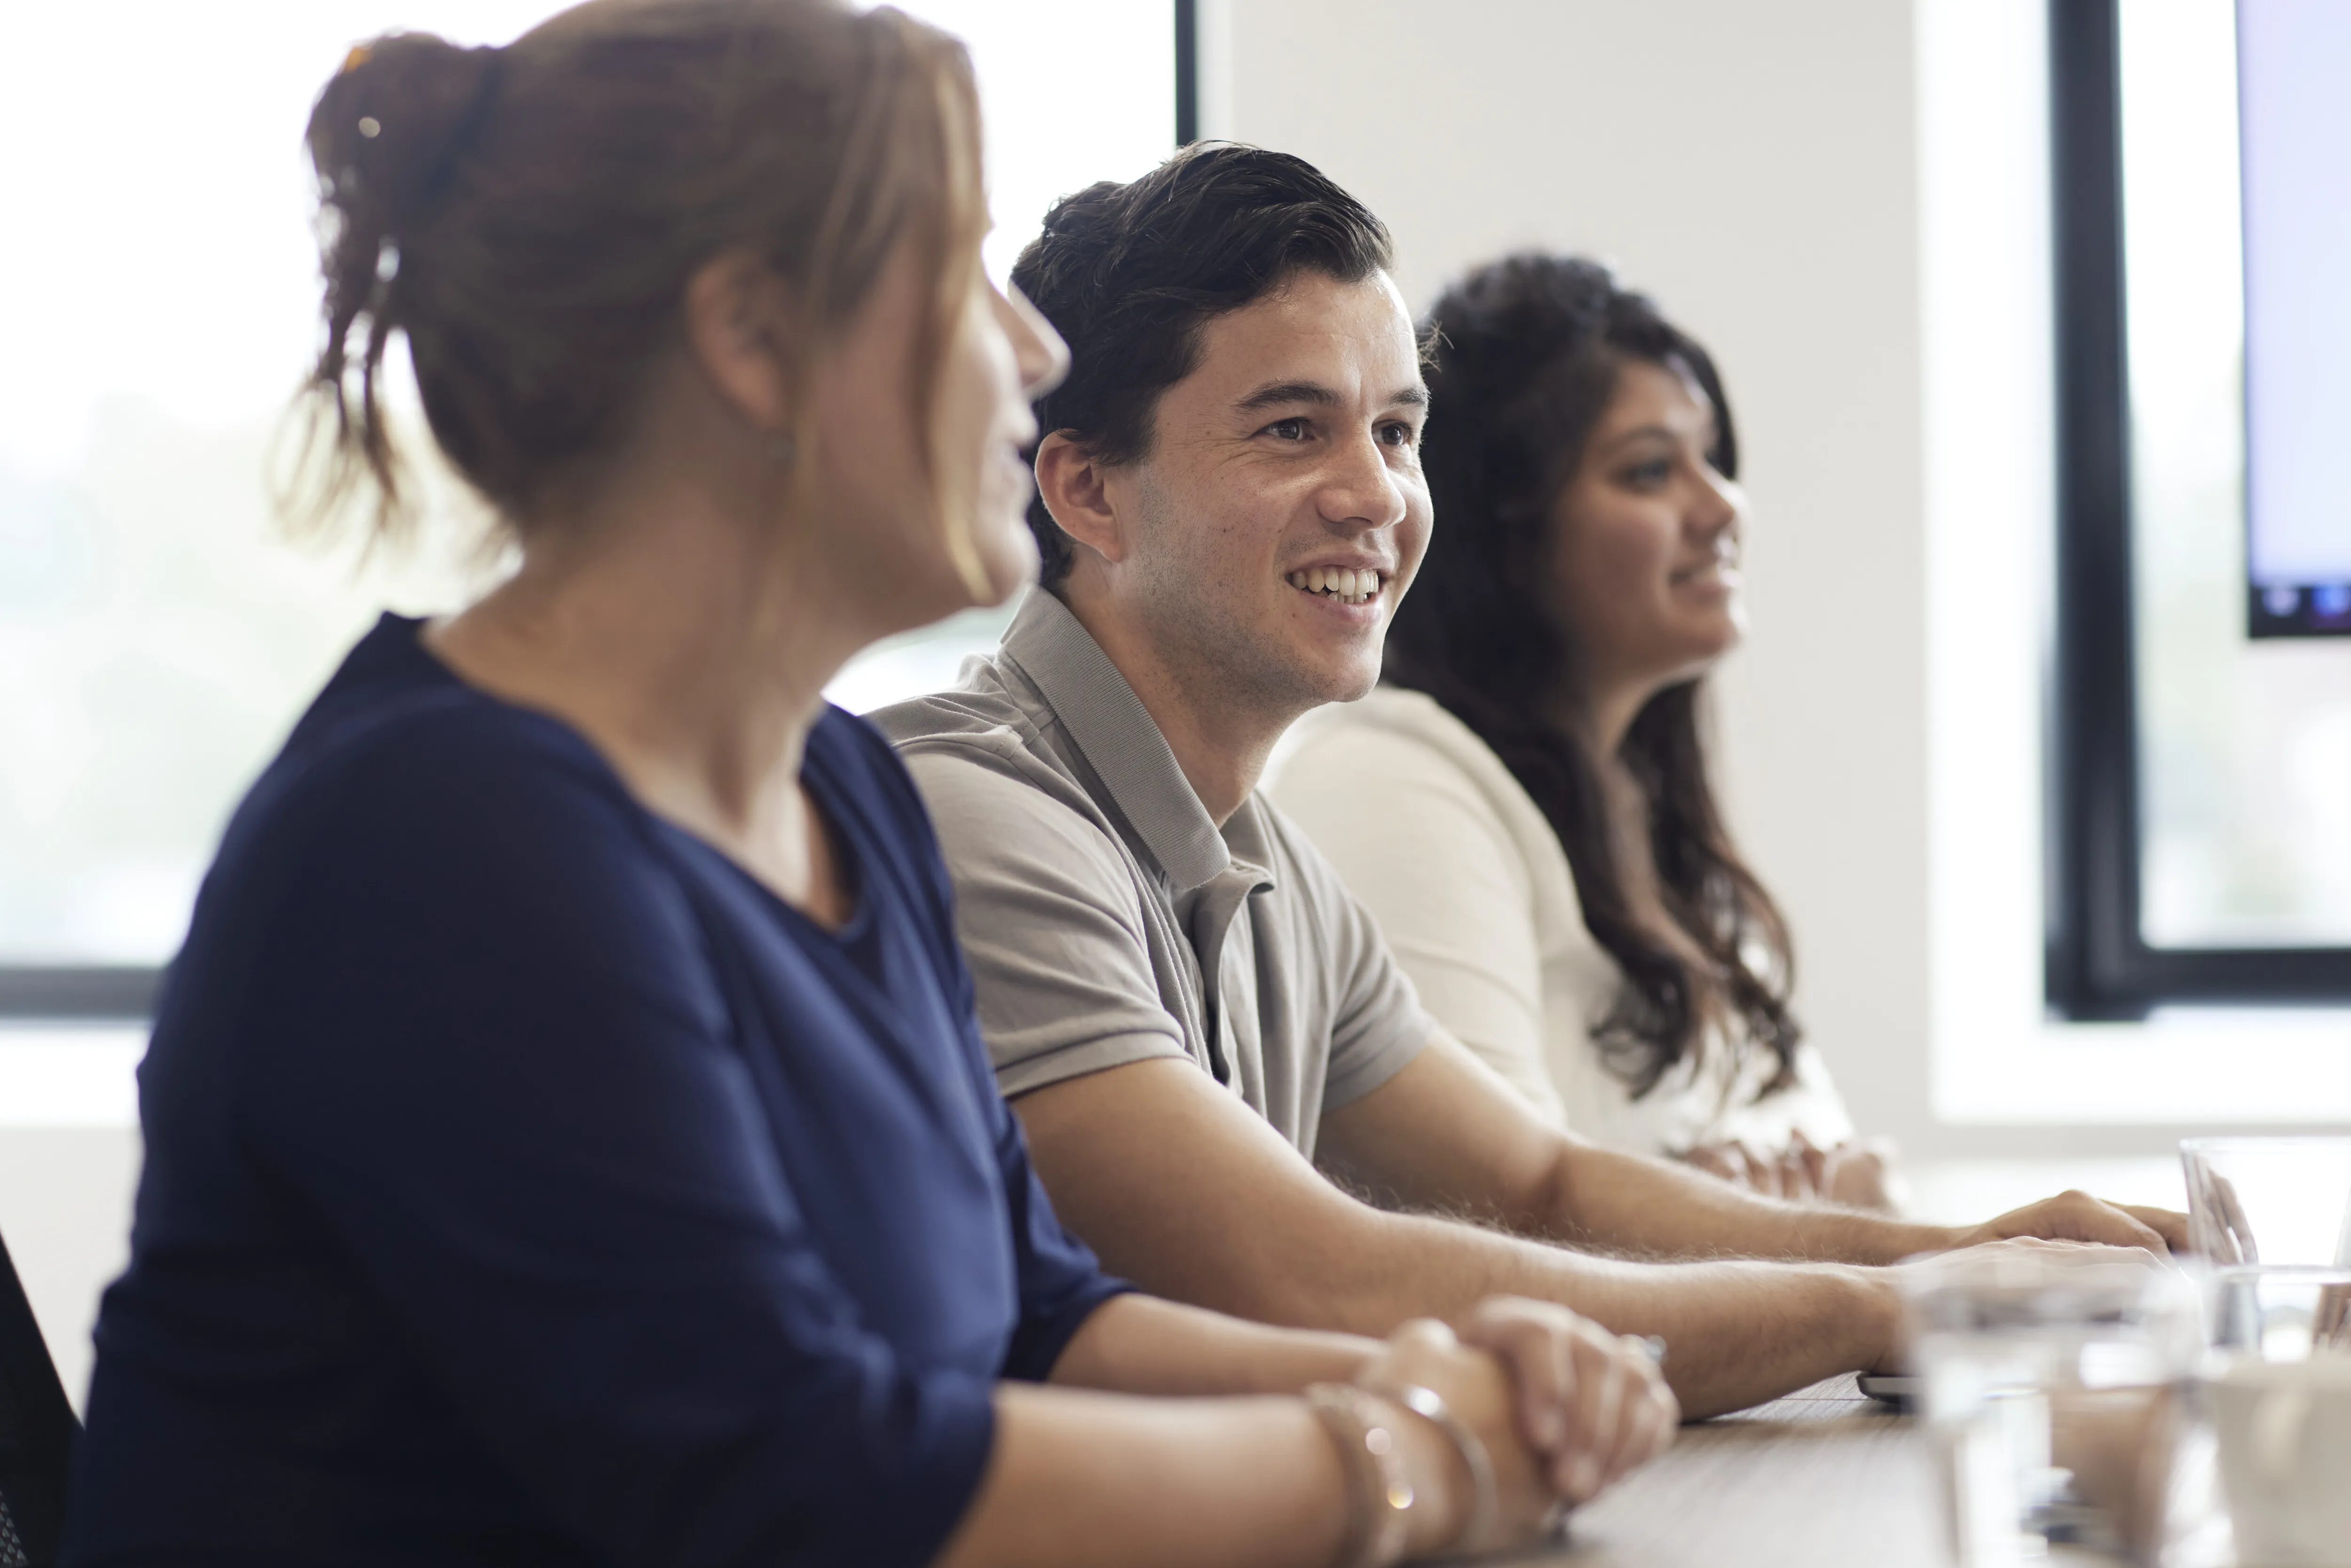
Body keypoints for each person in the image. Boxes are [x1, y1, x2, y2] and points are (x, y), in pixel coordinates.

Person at [60, 9, 1678, 1565]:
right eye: (965, 276)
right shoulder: (444, 836)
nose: (1035, 351)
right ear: (754, 341)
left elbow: (1036, 1318)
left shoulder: (844, 788)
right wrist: (1401, 1457)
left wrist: (1438, 1375)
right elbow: (801, 1480)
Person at [872, 142, 2186, 1422]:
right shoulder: (979, 814)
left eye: (1397, 430)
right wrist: (1903, 1302)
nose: (1377, 493)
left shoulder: (1259, 855)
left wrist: (1953, 1248)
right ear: (1089, 493)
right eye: (1291, 429)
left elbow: (1543, 1179)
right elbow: (1312, 1279)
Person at [1267, 253, 1891, 1208]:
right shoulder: (1389, 783)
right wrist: (1745, 1198)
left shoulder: (1655, 815)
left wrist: (1753, 1195)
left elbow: (1841, 1156)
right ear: (1508, 537)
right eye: (1649, 470)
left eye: (1711, 457)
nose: (1722, 505)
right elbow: (1495, 1223)